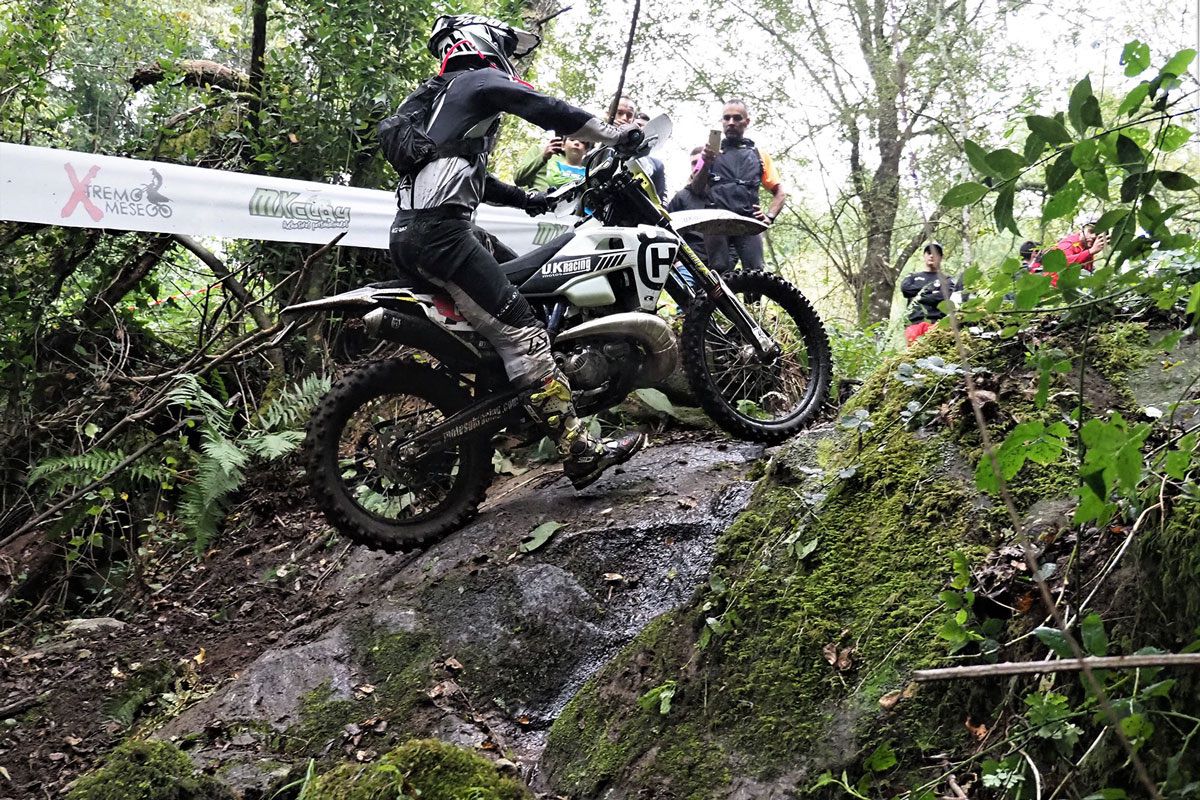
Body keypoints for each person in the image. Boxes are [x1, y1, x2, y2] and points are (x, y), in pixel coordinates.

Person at [388, 14, 646, 489]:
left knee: (522, 281)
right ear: (483, 42)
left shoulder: (431, 102)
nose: (509, 57)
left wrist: (529, 200)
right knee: (523, 333)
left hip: (411, 234)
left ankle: (517, 395)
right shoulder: (477, 81)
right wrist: (615, 135)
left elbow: (469, 176)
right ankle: (580, 450)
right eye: (507, 47)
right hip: (442, 237)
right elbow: (545, 107)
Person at [691, 99, 786, 277]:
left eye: (737, 118)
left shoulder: (759, 155)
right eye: (726, 118)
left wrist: (769, 216)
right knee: (718, 273)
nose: (731, 122)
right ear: (722, 121)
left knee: (756, 273)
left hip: (748, 222)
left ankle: (753, 298)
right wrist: (706, 163)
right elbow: (695, 189)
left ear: (746, 122)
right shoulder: (709, 152)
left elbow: (780, 193)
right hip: (716, 222)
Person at [901, 242, 960, 345]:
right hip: (914, 325)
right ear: (924, 255)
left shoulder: (947, 279)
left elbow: (942, 297)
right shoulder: (912, 277)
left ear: (941, 257)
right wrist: (932, 290)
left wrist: (918, 295)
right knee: (914, 353)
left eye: (935, 253)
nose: (932, 256)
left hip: (937, 324)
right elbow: (905, 290)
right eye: (929, 253)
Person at [513, 134, 589, 190]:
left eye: (582, 141)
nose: (576, 143)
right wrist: (543, 157)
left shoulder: (586, 166)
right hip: (543, 202)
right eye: (572, 139)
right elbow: (519, 180)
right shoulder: (539, 150)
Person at [633, 111, 668, 199]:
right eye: (638, 125)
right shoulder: (611, 149)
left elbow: (660, 195)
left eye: (646, 128)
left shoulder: (657, 165)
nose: (641, 130)